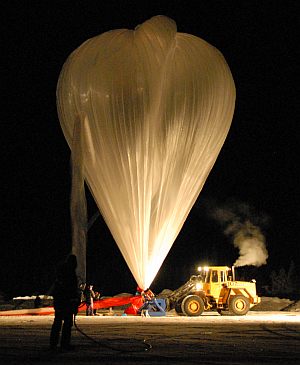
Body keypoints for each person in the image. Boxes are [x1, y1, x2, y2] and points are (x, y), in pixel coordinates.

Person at [49, 254, 80, 350]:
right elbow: (71, 290)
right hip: (67, 303)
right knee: (67, 324)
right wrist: (75, 301)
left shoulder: (60, 276)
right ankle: (64, 344)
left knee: (57, 322)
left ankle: (53, 344)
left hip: (60, 302)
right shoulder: (70, 275)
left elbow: (57, 290)